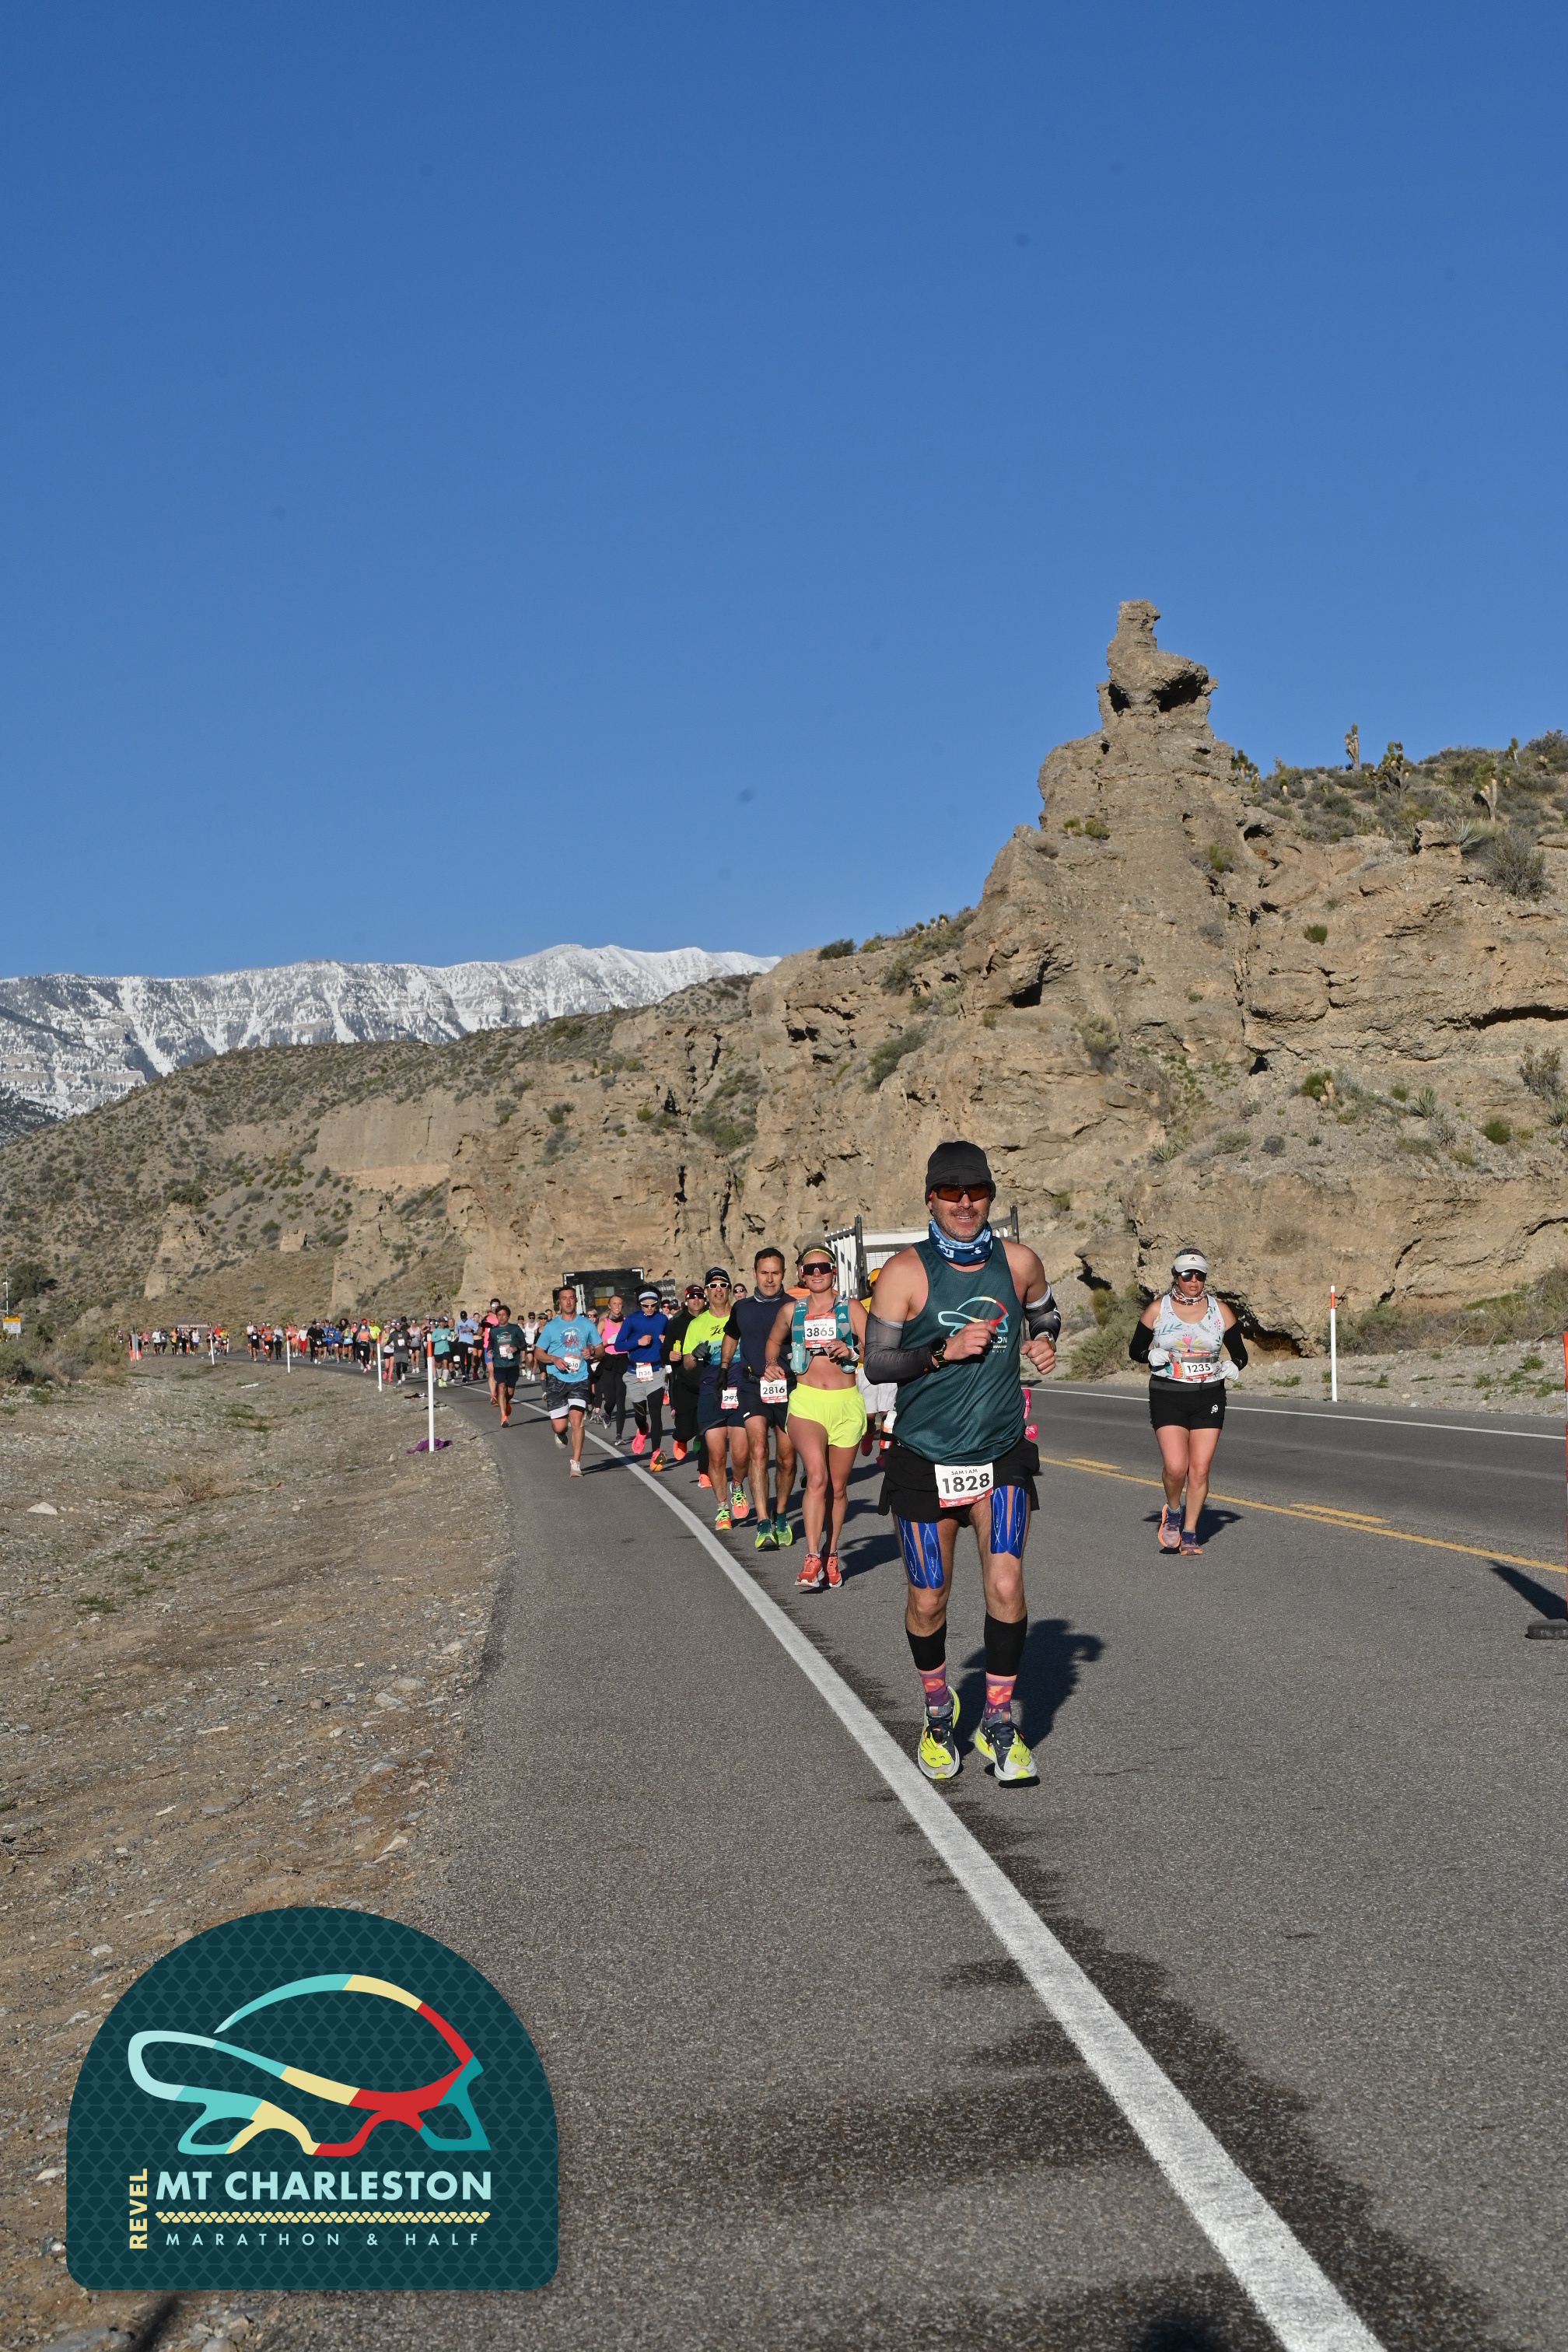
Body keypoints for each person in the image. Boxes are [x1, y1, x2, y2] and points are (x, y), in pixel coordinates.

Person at [863, 1140, 1060, 1786]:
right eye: (951, 1192)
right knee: (929, 1599)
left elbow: (1046, 1312)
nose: (965, 1202)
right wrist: (940, 1353)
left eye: (976, 1191)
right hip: (924, 1456)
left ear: (990, 1196)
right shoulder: (904, 1272)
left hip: (1000, 1454)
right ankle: (936, 1711)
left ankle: (998, 1720)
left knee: (1005, 1586)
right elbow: (877, 1363)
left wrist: (1044, 1340)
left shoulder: (1019, 1262)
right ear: (931, 1199)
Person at [1129, 1247, 1246, 1555]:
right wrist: (1149, 1355)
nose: (1194, 1281)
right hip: (1168, 1393)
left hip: (1209, 1394)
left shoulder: (1220, 1311)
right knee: (1176, 1466)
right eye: (1187, 1275)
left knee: (1200, 1469)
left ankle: (1191, 1532)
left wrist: (1234, 1365)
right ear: (1176, 1276)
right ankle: (1173, 1511)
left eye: (1199, 1275)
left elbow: (1241, 1354)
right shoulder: (1158, 1309)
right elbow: (1135, 1350)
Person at [763, 1246, 866, 1586]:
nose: (817, 1273)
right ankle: (811, 1558)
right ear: (801, 1275)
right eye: (810, 1269)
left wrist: (851, 1350)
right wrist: (771, 1364)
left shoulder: (851, 1308)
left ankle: (831, 1553)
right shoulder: (791, 1310)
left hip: (845, 1403)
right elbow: (773, 1342)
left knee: (837, 1487)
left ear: (833, 1271)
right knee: (817, 1477)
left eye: (823, 1267)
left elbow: (875, 1347)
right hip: (807, 1402)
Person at [722, 1246, 796, 1549]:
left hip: (789, 1387)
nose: (769, 1279)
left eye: (775, 1273)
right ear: (754, 1273)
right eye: (764, 1273)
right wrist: (724, 1368)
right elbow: (731, 1335)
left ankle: (781, 1515)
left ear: (783, 1274)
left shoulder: (794, 1307)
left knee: (787, 1458)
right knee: (758, 1450)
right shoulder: (742, 1307)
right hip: (752, 1386)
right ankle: (763, 1521)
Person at [671, 1268, 750, 1529]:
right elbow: (687, 1364)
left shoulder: (741, 1315)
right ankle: (722, 1507)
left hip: (740, 1386)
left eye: (723, 1285)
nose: (718, 1289)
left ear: (729, 1289)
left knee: (741, 1454)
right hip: (711, 1389)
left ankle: (737, 1485)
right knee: (716, 1456)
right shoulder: (697, 1324)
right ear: (706, 1291)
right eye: (713, 1285)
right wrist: (695, 1355)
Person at [535, 1282, 600, 1475]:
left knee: (577, 1420)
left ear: (576, 1300)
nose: (568, 1302)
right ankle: (560, 1433)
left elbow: (601, 1349)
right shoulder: (551, 1326)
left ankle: (576, 1464)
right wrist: (554, 1359)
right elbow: (538, 1352)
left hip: (580, 1377)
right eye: (564, 1299)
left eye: (571, 1298)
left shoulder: (586, 1324)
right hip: (557, 1379)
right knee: (560, 1426)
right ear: (559, 1303)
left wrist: (592, 1351)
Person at [619, 1285, 669, 1467]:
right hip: (635, 1373)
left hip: (656, 1371)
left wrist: (667, 1341)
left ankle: (655, 1453)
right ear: (640, 1304)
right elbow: (618, 1345)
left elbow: (672, 1339)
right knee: (641, 1415)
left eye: (653, 1305)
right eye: (645, 1305)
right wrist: (637, 1342)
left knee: (656, 1413)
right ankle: (642, 1429)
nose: (649, 1308)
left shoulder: (662, 1319)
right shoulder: (631, 1320)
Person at [664, 1281, 709, 1469]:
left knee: (707, 1426)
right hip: (684, 1381)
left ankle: (704, 1473)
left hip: (707, 1379)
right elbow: (665, 1349)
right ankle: (681, 1439)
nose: (696, 1300)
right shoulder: (677, 1322)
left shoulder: (711, 1318)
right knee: (684, 1426)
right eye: (692, 1297)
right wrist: (669, 1355)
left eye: (699, 1297)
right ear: (686, 1300)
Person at [596, 1293, 630, 1439]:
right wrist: (609, 1341)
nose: (617, 1306)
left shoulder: (627, 1322)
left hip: (622, 1360)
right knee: (610, 1399)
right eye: (614, 1304)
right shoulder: (603, 1322)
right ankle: (608, 1412)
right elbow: (595, 1344)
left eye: (620, 1304)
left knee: (621, 1398)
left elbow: (632, 1339)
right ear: (609, 1306)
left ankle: (619, 1435)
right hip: (608, 1360)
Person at [487, 1305, 527, 1425]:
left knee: (509, 1392)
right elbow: (491, 1343)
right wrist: (489, 1350)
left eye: (503, 1315)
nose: (501, 1317)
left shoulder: (515, 1329)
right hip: (499, 1364)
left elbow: (524, 1344)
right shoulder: (493, 1330)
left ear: (508, 1316)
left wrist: (515, 1348)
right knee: (501, 1386)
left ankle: (506, 1401)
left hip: (512, 1364)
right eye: (499, 1315)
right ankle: (504, 1417)